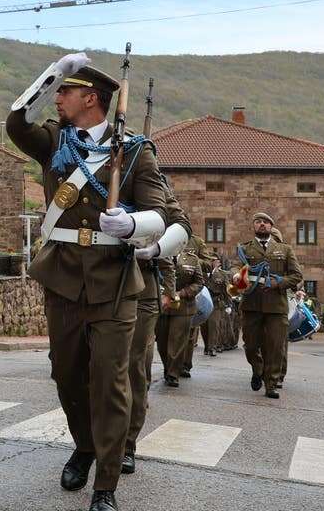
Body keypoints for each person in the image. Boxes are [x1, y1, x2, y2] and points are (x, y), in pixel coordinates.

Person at [6, 53, 168, 511]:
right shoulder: (54, 140)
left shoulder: (135, 151)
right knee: (66, 374)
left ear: (89, 98)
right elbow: (16, 122)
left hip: (114, 281)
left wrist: (132, 226)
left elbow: (161, 212)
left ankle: (106, 484)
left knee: (111, 381)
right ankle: (84, 444)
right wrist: (53, 71)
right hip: (62, 277)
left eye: (64, 91)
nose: (57, 98)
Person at [124, 183, 191, 475]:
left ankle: (125, 444)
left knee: (133, 365)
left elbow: (175, 229)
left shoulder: (151, 182)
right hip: (94, 283)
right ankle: (88, 438)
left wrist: (168, 290)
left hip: (141, 288)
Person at [238, 212, 302, 399]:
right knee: (250, 346)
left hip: (277, 306)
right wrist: (236, 276)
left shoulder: (285, 249)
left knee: (275, 348)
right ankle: (258, 369)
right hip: (252, 305)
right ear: (254, 226)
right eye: (258, 222)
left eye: (266, 222)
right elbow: (236, 267)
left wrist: (276, 283)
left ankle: (271, 383)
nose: (262, 224)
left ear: (271, 226)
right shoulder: (245, 249)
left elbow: (296, 276)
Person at [154, 238, 206, 387]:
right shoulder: (158, 254)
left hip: (184, 307)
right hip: (163, 305)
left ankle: (173, 373)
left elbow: (199, 283)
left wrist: (182, 293)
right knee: (162, 343)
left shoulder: (192, 259)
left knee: (177, 342)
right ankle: (167, 367)